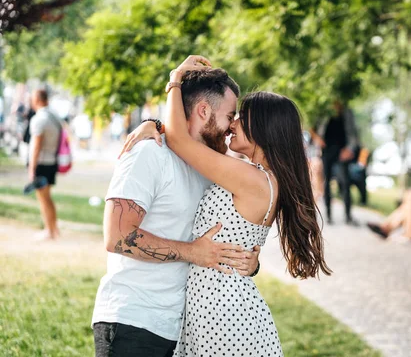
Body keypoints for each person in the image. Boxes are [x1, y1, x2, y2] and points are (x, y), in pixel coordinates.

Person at [124, 55, 332, 357]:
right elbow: (192, 139)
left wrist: (175, 79)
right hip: (219, 306)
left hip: (223, 313)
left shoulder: (251, 178)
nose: (232, 123)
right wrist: (156, 125)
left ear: (263, 128)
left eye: (241, 117)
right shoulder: (256, 177)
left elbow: (182, 142)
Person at [92, 62, 261, 357]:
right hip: (134, 321)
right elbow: (117, 236)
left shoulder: (208, 166)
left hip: (180, 329)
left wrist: (251, 263)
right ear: (203, 112)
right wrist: (193, 251)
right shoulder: (149, 153)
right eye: (229, 116)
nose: (232, 126)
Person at [311, 100, 359, 224]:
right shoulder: (324, 111)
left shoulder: (347, 112)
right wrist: (318, 140)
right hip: (326, 150)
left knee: (345, 182)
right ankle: (328, 215)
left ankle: (348, 215)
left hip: (342, 151)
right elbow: (312, 129)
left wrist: (349, 149)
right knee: (326, 182)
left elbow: (354, 133)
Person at [27, 89, 62, 240]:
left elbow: (36, 146)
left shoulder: (39, 119)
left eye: (32, 99)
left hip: (42, 163)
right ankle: (54, 229)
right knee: (48, 197)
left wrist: (31, 168)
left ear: (38, 100)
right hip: (52, 161)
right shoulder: (53, 116)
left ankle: (49, 231)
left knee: (43, 198)